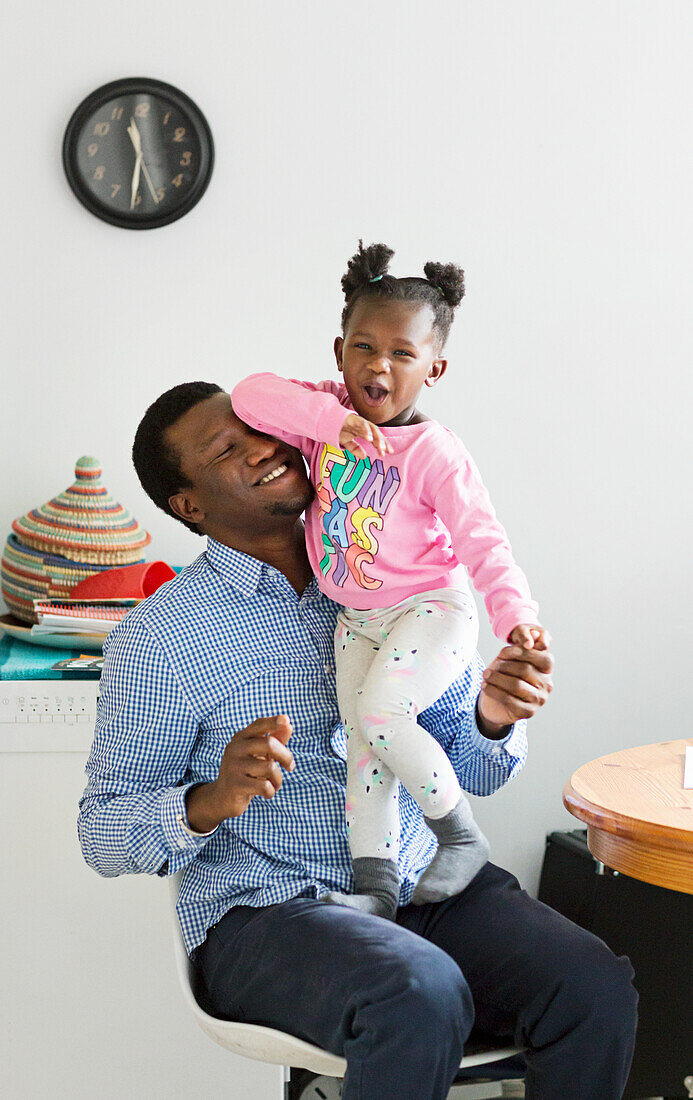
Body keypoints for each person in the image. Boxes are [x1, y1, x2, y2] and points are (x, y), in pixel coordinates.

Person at [78, 382, 637, 1100]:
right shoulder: (157, 640)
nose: (264, 447)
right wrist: (211, 799)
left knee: (591, 986)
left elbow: (478, 772)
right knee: (416, 991)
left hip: (418, 881)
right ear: (190, 506)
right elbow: (101, 832)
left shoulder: (399, 568)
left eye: (260, 429)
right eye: (227, 449)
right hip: (270, 910)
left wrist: (492, 717)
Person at [231, 241, 550, 919]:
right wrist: (332, 420)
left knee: (381, 716)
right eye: (363, 347)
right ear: (339, 349)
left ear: (432, 369)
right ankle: (375, 884)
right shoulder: (323, 417)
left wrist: (514, 615)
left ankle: (457, 835)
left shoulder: (434, 453)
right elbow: (249, 394)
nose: (378, 365)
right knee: (363, 746)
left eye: (401, 354)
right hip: (356, 619)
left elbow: (482, 541)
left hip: (429, 610)